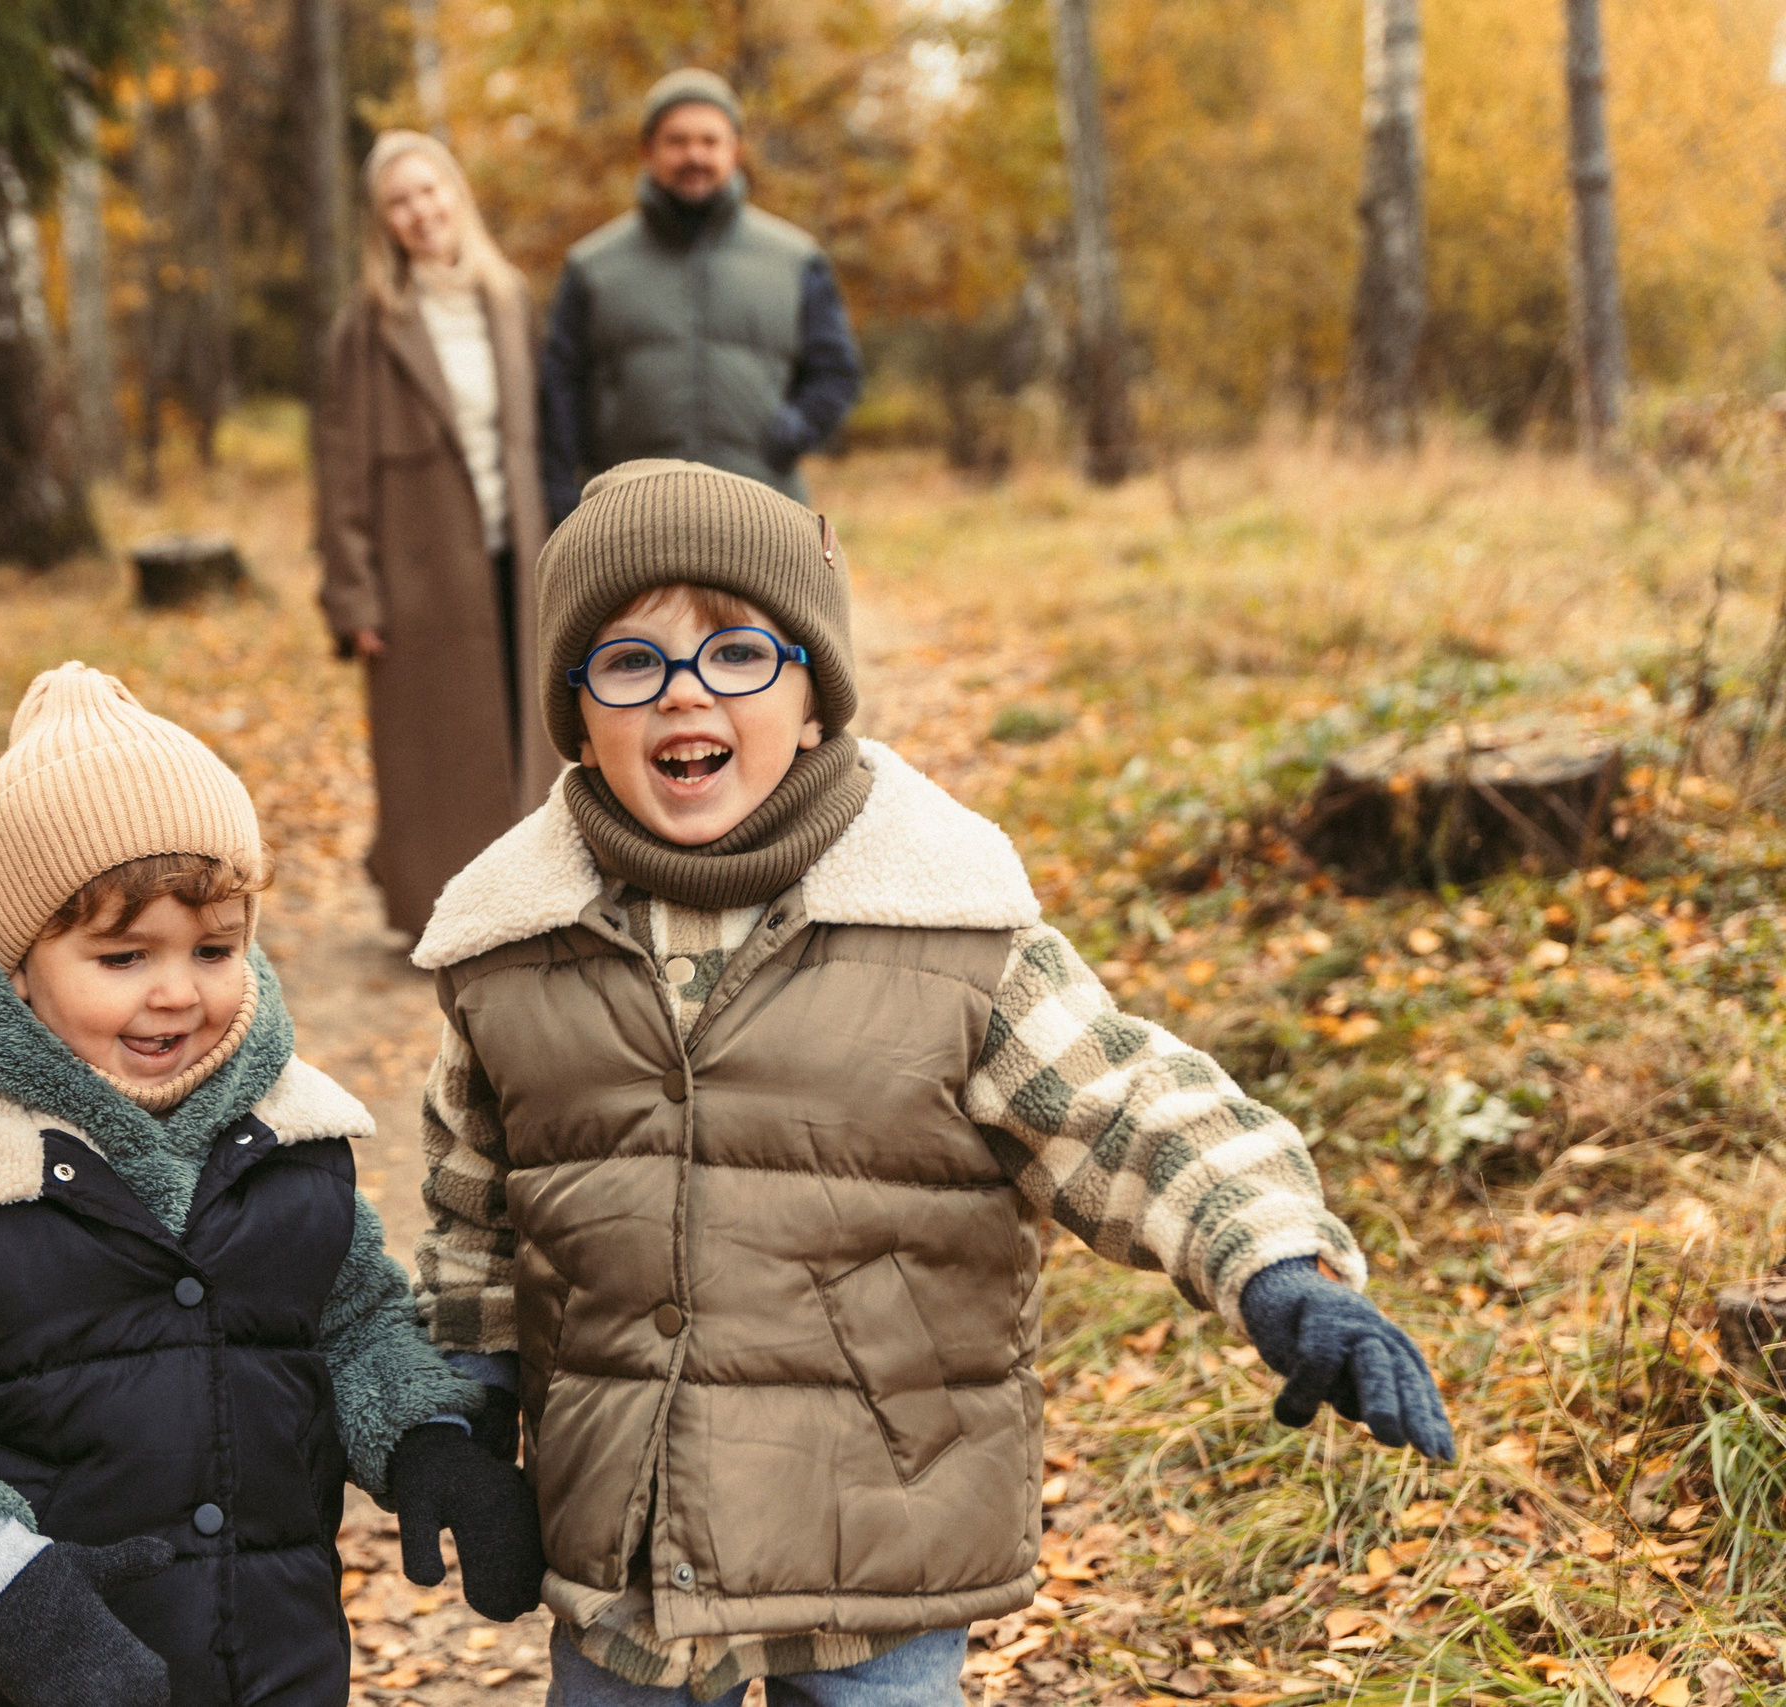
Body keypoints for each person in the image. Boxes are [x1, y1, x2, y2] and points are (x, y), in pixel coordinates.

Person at [407, 462, 1455, 1705]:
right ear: (579, 717)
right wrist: (463, 1409)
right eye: (629, 664)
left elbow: (1128, 1110)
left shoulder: (950, 935)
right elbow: (473, 1222)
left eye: (736, 653)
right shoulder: (509, 957)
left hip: (881, 1545)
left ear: (813, 700)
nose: (682, 695)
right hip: (624, 1547)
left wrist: (1281, 1272)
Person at [0, 662, 544, 1707]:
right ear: (17, 960)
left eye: (216, 948)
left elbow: (351, 1320)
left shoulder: (288, 1135)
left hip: (261, 1662)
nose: (178, 991)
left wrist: (427, 1439)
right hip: (3, 1674)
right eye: (123, 957)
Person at [316, 130, 556, 940]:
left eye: (430, 191)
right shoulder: (368, 327)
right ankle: (437, 909)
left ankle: (527, 897)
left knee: (527, 738)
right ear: (383, 222)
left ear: (456, 192)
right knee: (435, 755)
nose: (422, 213)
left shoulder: (509, 299)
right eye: (400, 202)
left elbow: (540, 441)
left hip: (515, 556)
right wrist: (352, 593)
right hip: (419, 571)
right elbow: (340, 466)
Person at [539, 71, 864, 524]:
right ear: (647, 150)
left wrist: (789, 432)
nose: (695, 155)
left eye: (710, 141)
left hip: (762, 511)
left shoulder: (795, 259)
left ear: (736, 150)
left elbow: (836, 372)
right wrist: (564, 503)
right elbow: (560, 395)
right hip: (631, 518)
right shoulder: (592, 267)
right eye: (677, 141)